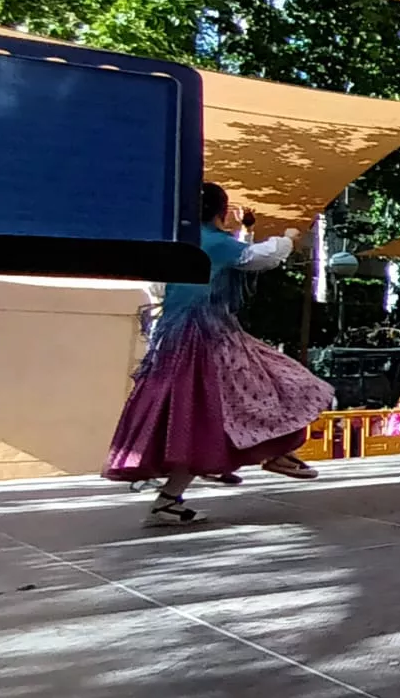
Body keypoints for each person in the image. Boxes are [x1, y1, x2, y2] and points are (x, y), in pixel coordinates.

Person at [104, 184, 333, 526]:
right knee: (275, 388)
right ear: (220, 212)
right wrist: (288, 236)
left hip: (173, 342)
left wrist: (247, 230)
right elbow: (258, 258)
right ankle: (270, 453)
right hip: (208, 339)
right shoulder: (214, 243)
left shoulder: (181, 242)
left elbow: (228, 258)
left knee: (200, 415)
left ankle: (206, 478)